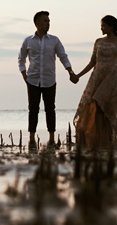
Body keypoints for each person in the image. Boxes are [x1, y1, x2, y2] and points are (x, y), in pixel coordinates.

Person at [18, 11, 77, 148]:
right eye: (45, 21)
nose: (48, 23)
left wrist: (70, 71)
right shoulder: (28, 40)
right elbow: (21, 59)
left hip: (49, 80)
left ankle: (51, 137)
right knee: (33, 108)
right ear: (37, 23)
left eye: (49, 21)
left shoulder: (54, 40)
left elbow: (63, 56)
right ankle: (32, 137)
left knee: (50, 108)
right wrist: (24, 74)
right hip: (32, 80)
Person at [73, 15, 117, 150]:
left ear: (111, 27)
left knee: (108, 108)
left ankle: (108, 139)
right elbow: (92, 61)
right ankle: (96, 138)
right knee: (95, 104)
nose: (101, 28)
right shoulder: (98, 42)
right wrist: (78, 75)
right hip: (97, 76)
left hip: (112, 78)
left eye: (103, 25)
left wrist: (110, 65)